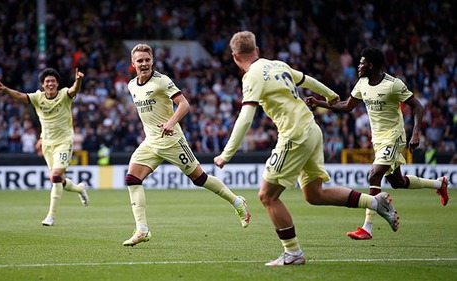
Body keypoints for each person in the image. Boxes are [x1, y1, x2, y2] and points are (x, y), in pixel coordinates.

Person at [214, 31, 400, 266]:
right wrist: (331, 95)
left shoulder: (251, 77)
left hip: (294, 135)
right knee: (314, 194)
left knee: (267, 196)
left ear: (234, 57)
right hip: (312, 130)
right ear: (257, 50)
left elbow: (245, 117)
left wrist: (226, 154)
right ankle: (375, 202)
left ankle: (292, 253)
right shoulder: (277, 64)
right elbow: (307, 80)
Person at [306, 46, 449, 240]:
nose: (359, 66)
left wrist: (416, 134)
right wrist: (319, 103)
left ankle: (367, 227)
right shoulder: (362, 83)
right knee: (397, 182)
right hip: (378, 139)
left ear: (371, 65)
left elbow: (417, 107)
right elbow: (347, 106)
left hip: (394, 136)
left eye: (362, 63)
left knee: (374, 175)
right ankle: (439, 183)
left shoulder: (393, 84)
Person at [122, 43, 251, 247]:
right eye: (140, 60)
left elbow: (184, 104)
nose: (144, 63)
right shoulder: (131, 85)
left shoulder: (162, 81)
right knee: (132, 178)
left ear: (152, 61)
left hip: (172, 140)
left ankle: (237, 202)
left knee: (199, 179)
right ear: (133, 63)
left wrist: (171, 122)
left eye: (147, 60)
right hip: (150, 142)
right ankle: (142, 230)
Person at [0, 68, 89, 226]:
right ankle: (80, 189)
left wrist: (78, 80)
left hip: (64, 143)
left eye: (53, 81)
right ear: (43, 85)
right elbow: (19, 96)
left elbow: (74, 89)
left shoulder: (64, 95)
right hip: (47, 144)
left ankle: (51, 216)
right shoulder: (38, 97)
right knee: (59, 180)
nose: (50, 84)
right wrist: (5, 90)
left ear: (57, 83)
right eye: (47, 82)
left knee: (56, 175)